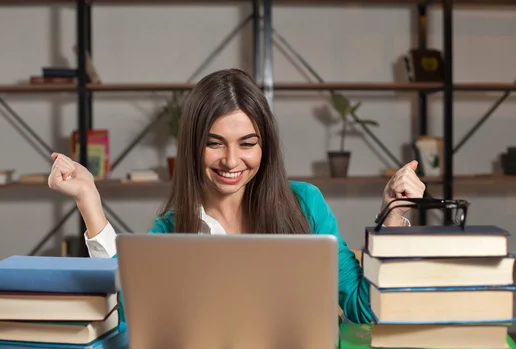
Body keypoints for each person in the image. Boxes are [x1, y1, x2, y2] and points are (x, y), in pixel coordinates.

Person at [48, 68, 425, 324]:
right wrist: (89, 203)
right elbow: (133, 318)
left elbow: (365, 308)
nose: (231, 161)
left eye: (247, 144)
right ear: (194, 147)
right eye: (215, 144)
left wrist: (395, 214)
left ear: (266, 146)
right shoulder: (171, 229)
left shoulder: (305, 205)